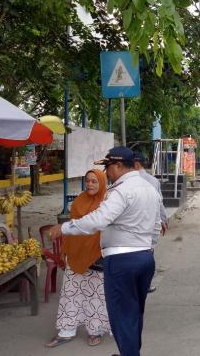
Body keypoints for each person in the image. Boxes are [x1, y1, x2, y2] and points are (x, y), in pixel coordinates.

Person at [48, 146, 161, 356]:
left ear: (118, 166)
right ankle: (132, 351)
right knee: (135, 313)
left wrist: (63, 228)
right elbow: (156, 226)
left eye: (108, 167)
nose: (107, 172)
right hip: (145, 257)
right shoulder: (150, 189)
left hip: (121, 261)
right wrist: (146, 249)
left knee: (122, 316)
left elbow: (98, 220)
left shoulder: (120, 191)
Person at [46, 169, 110, 348]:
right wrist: (64, 249)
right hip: (75, 255)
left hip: (97, 255)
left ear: (102, 183)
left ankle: (95, 330)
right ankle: (66, 331)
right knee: (71, 293)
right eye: (87, 181)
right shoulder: (78, 201)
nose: (90, 184)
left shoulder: (108, 203)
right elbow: (71, 230)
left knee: (96, 295)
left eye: (94, 181)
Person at [133, 151, 167, 294]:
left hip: (133, 223)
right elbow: (160, 202)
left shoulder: (126, 179)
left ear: (136, 163)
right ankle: (145, 283)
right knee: (148, 252)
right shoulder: (153, 180)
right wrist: (163, 219)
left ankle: (134, 283)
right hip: (150, 223)